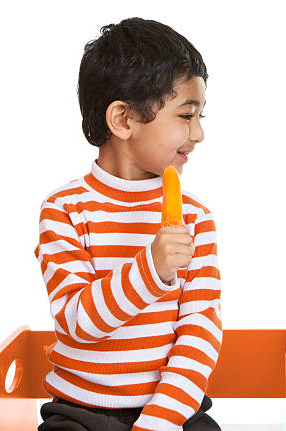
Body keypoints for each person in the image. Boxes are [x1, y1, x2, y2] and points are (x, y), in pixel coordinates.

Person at [34, 18, 221, 431]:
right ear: (123, 120)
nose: (200, 133)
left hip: (172, 407)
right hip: (81, 409)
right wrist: (151, 268)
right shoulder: (64, 210)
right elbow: (76, 321)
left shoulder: (196, 218)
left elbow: (199, 333)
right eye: (186, 116)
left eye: (201, 116)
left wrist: (159, 421)